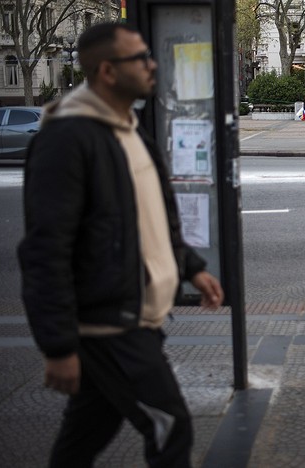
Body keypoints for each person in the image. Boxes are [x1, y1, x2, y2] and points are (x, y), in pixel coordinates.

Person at [17, 23, 224, 467]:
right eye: (141, 58)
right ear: (108, 71)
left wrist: (190, 267)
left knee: (86, 434)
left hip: (129, 319)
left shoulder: (127, 128)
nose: (152, 65)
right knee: (172, 428)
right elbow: (45, 248)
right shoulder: (67, 139)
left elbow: (150, 222)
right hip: (109, 328)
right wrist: (58, 346)